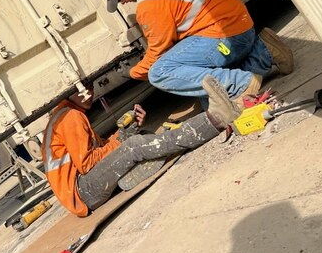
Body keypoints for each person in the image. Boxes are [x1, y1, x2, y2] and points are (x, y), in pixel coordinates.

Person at [97, 0, 293, 105]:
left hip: (226, 38)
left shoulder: (149, 5)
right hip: (241, 23)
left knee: (159, 72)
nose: (122, 2)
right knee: (209, 98)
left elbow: (158, 54)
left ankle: (241, 83)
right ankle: (264, 51)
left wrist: (133, 73)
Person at [42, 75, 239, 216]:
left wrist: (127, 129)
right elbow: (88, 164)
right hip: (83, 192)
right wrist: (125, 139)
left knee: (141, 139)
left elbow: (101, 151)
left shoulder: (67, 114)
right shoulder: (70, 117)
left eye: (90, 86)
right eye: (81, 90)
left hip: (85, 185)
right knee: (135, 146)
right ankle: (215, 120)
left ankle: (129, 174)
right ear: (66, 93)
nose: (88, 93)